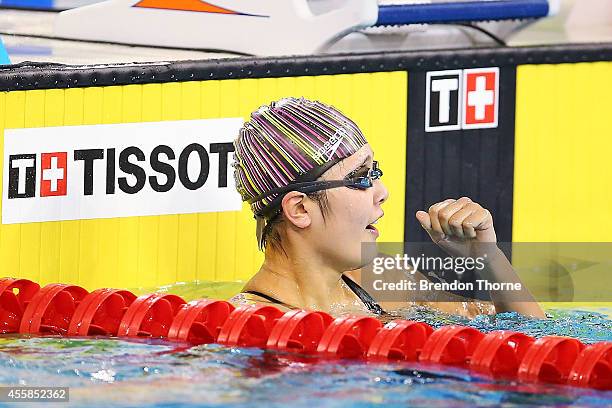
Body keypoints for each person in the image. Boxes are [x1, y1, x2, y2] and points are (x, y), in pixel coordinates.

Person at [230, 97, 545, 319]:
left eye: (375, 172)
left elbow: (526, 338)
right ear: (299, 209)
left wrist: (488, 258)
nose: (382, 192)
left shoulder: (379, 281)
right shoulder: (251, 325)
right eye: (359, 177)